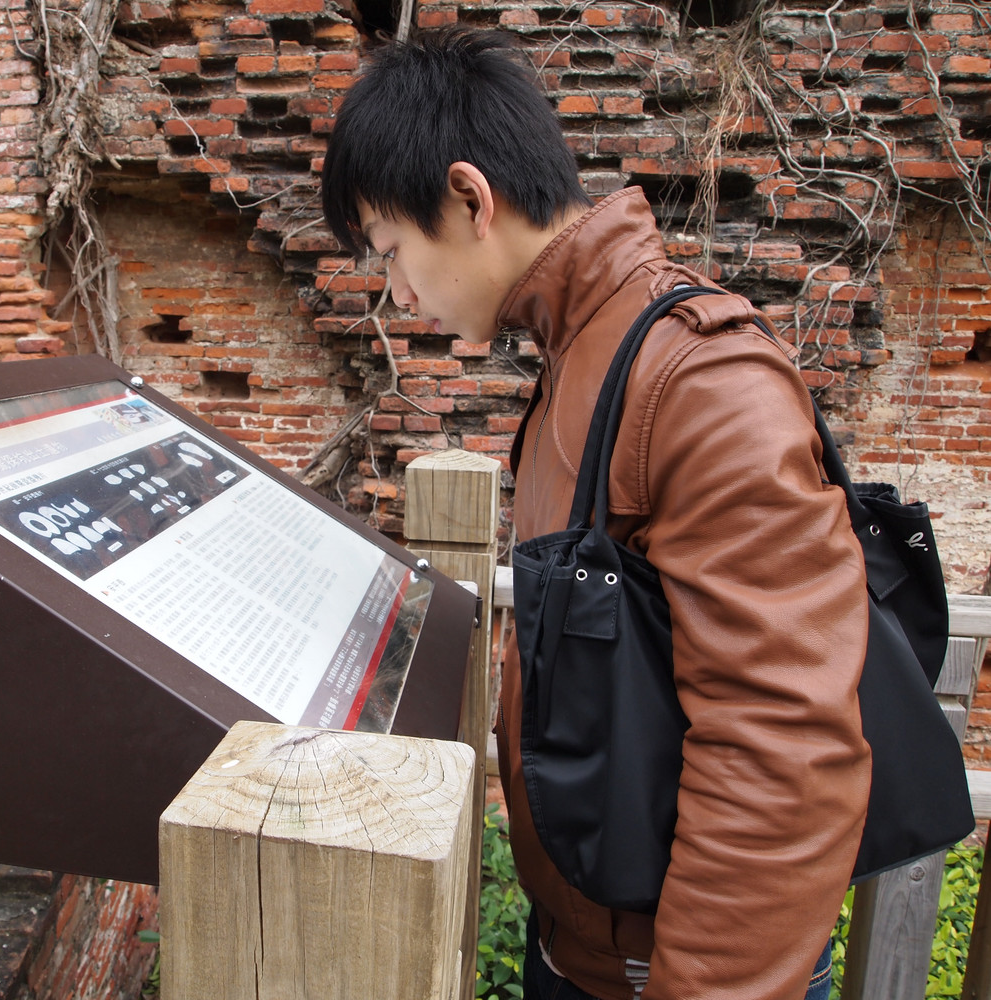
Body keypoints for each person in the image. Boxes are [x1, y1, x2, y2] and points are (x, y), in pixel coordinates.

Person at [320, 26, 870, 1000]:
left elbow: (783, 750)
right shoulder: (584, 354)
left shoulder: (697, 379)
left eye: (392, 251)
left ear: (469, 198)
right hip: (583, 950)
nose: (398, 295)